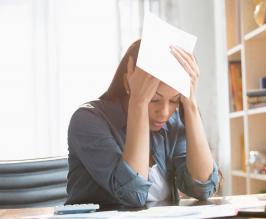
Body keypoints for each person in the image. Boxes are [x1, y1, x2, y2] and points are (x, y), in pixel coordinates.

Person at [65, 39, 219, 208]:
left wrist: (190, 104)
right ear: (127, 83)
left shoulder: (173, 123)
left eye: (175, 100)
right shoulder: (87, 120)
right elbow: (133, 195)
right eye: (154, 99)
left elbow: (203, 188)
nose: (165, 112)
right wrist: (138, 101)